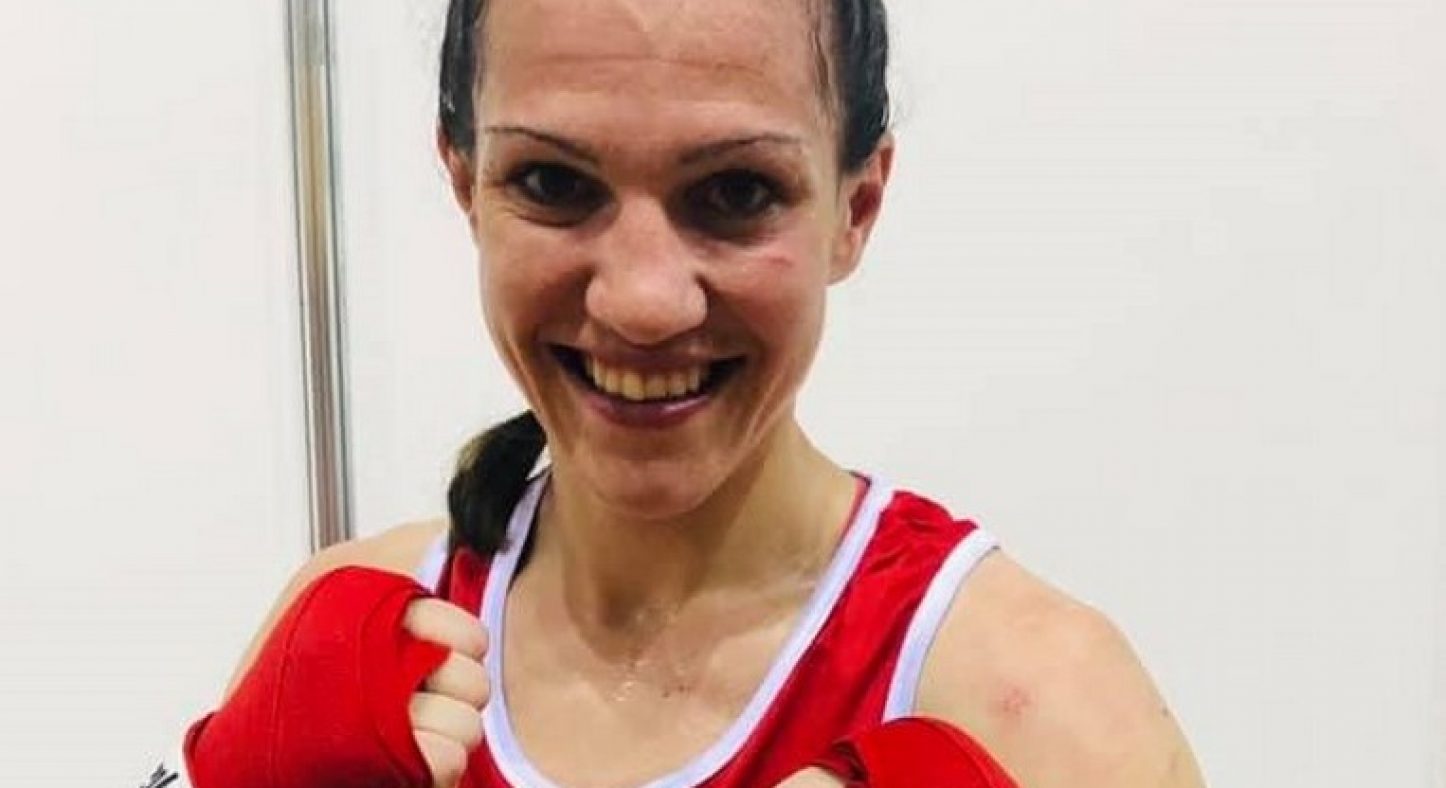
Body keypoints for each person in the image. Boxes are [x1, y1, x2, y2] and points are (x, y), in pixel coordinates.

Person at [162, 0, 1206, 786]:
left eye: (736, 191)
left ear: (856, 207)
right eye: (553, 183)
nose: (644, 301)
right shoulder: (349, 643)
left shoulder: (1039, 706)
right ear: (464, 184)